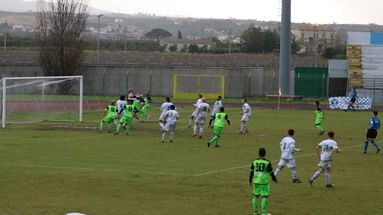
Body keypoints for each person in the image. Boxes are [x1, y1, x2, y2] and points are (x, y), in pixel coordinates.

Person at [249, 148, 277, 215]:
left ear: (258, 153)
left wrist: (250, 180)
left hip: (256, 181)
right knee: (265, 196)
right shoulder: (267, 162)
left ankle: (255, 212)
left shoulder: (254, 161)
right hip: (264, 182)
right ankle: (264, 213)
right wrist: (274, 178)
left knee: (255, 196)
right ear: (265, 154)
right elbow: (271, 172)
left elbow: (251, 172)